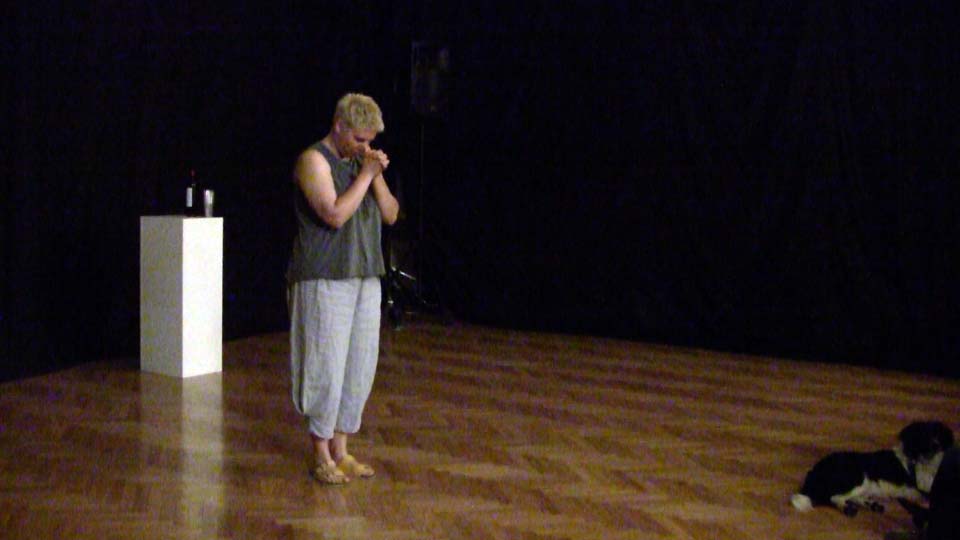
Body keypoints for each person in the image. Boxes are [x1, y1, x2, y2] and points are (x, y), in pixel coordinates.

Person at [286, 93, 399, 485]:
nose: (365, 147)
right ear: (339, 126)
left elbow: (391, 214)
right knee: (325, 364)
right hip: (324, 276)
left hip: (365, 274)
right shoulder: (313, 160)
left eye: (370, 141)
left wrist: (375, 175)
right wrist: (365, 176)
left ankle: (342, 448)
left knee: (358, 365)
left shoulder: (362, 165)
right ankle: (320, 452)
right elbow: (333, 214)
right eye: (359, 139)